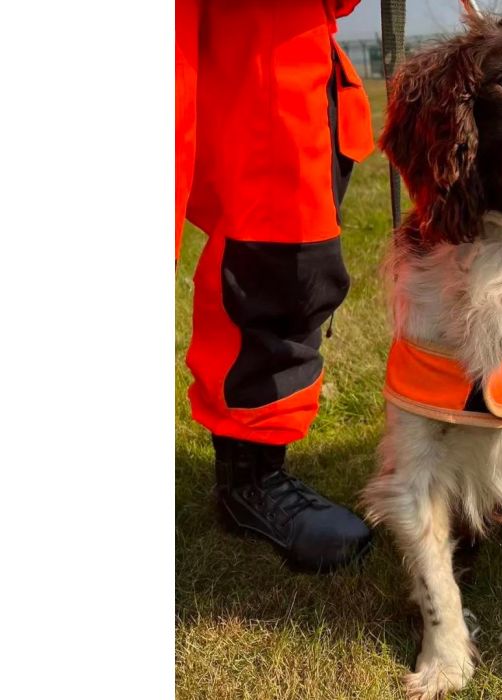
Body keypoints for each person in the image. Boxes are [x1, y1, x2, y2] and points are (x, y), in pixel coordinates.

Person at [176, 0, 375, 571]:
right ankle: (248, 486)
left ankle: (252, 472)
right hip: (254, 37)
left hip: (285, 38)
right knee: (272, 250)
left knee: (287, 251)